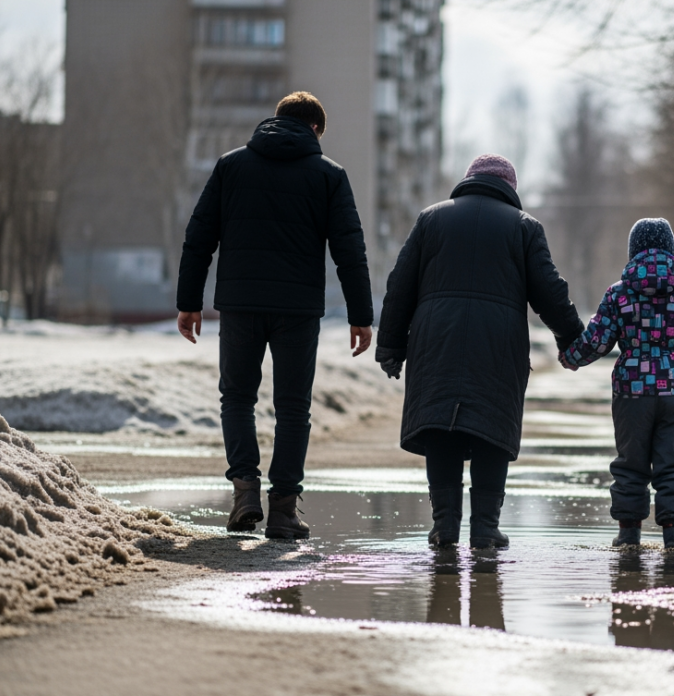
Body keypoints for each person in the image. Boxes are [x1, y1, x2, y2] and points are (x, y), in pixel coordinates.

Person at [175, 91, 374, 540]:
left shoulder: (231, 166)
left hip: (240, 305)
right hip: (298, 311)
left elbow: (199, 236)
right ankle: (283, 512)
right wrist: (362, 315)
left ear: (276, 120)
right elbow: (350, 250)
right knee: (293, 407)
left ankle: (245, 492)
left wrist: (188, 301)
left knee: (238, 397)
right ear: (316, 130)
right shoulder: (329, 176)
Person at [376, 154, 583, 549]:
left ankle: (444, 526)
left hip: (435, 341)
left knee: (441, 429)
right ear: (510, 188)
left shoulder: (431, 218)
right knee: (491, 429)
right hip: (497, 344)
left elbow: (399, 284)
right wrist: (572, 338)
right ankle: (486, 527)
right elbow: (550, 293)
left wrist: (391, 344)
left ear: (468, 180)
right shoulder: (524, 228)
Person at [559, 218, 674, 550]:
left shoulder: (619, 295)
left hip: (631, 392)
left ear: (633, 251)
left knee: (630, 463)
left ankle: (628, 534)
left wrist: (569, 357)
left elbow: (597, 341)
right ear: (671, 251)